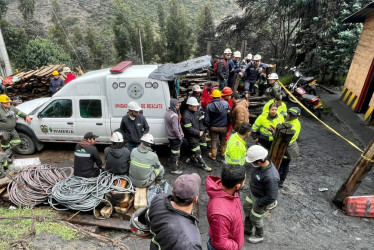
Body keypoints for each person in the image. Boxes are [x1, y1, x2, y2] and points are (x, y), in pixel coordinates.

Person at [146, 173, 202, 249]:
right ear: (195, 199)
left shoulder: (158, 199)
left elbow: (147, 218)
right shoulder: (190, 242)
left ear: (172, 191)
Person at [244, 145, 279, 244]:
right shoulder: (259, 166)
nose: (251, 164)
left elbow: (272, 196)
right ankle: (247, 229)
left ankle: (259, 236)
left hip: (261, 199)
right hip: (253, 193)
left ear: (258, 162)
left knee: (256, 217)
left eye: (252, 162)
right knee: (247, 208)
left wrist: (259, 203)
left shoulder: (271, 177)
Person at [206, 166, 246, 250]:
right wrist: (236, 246)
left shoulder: (229, 191)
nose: (245, 183)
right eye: (244, 181)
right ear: (238, 186)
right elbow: (220, 244)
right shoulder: (220, 214)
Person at [182, 97, 211, 172]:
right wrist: (198, 132)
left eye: (196, 106)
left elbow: (201, 122)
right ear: (189, 106)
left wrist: (202, 130)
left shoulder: (198, 112)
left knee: (204, 146)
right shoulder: (186, 116)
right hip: (192, 136)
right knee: (197, 151)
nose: (196, 107)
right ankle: (203, 165)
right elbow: (188, 129)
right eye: (194, 106)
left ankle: (192, 156)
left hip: (200, 133)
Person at [0, 94, 31, 163]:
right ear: (1, 103)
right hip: (4, 131)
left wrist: (26, 116)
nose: (8, 103)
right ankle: (7, 158)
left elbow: (19, 112)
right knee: (5, 146)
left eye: (9, 102)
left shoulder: (12, 108)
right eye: (6, 103)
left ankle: (6, 154)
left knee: (17, 141)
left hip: (12, 130)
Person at [205, 89, 231, 161]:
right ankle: (223, 153)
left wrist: (209, 126)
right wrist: (227, 123)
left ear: (213, 97)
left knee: (214, 140)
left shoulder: (209, 106)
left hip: (213, 127)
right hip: (223, 127)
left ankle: (213, 155)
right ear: (220, 96)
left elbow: (206, 119)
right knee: (223, 139)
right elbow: (229, 116)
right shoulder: (226, 104)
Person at [279, 107, 301, 187]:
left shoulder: (294, 125)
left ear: (296, 116)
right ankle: (280, 181)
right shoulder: (291, 121)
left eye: (292, 115)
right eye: (290, 113)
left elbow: (286, 138)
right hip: (289, 147)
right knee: (285, 165)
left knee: (282, 165)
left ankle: (279, 181)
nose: (290, 115)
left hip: (288, 149)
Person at [164, 98, 184, 175]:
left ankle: (173, 162)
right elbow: (176, 128)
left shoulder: (167, 113)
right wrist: (179, 137)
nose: (178, 106)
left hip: (170, 136)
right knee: (175, 153)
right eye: (177, 105)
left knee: (173, 151)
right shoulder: (174, 115)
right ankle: (174, 169)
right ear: (173, 105)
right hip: (175, 137)